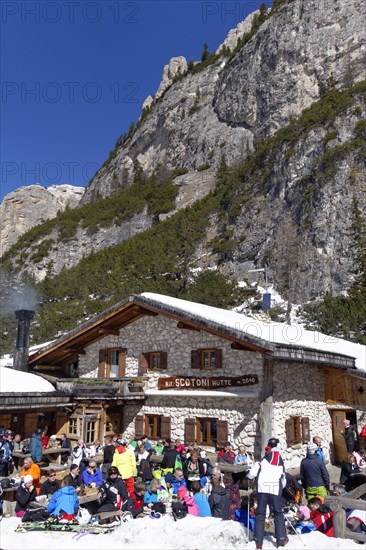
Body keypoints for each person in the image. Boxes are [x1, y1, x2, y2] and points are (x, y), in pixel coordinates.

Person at [247, 437, 288, 549]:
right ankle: (281, 539)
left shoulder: (262, 461)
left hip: (262, 490)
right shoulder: (281, 463)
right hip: (274, 490)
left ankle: (258, 541)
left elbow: (251, 474)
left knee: (260, 514)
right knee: (278, 513)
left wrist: (249, 474)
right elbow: (284, 481)